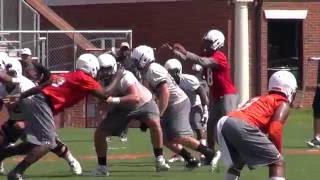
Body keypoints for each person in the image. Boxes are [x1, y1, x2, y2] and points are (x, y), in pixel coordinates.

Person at [0, 53, 121, 180]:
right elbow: (105, 94)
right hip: (42, 103)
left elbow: (43, 86)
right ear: (92, 68)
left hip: (37, 101)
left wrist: (21, 96)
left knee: (35, 144)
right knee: (48, 142)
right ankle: (17, 172)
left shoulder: (71, 75)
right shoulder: (84, 78)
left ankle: (3, 153)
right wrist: (118, 76)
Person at [132, 45, 217, 170]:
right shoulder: (148, 70)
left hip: (177, 102)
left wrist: (158, 114)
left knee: (179, 136)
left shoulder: (153, 69)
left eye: (136, 59)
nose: (134, 62)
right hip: (170, 104)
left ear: (144, 58)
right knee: (164, 138)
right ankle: (190, 159)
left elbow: (165, 92)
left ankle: (209, 153)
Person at [163, 29, 239, 163]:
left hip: (228, 95)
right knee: (210, 126)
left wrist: (186, 52)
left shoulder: (219, 56)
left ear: (217, 43)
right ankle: (210, 155)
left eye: (209, 42)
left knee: (228, 125)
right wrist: (176, 53)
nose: (206, 45)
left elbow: (202, 61)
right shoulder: (206, 54)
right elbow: (193, 59)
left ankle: (238, 153)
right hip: (216, 96)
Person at [91, 54, 169, 176]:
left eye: (107, 69)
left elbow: (135, 98)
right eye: (102, 69)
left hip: (144, 102)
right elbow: (103, 99)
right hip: (122, 108)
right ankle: (102, 167)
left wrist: (113, 100)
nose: (104, 72)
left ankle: (160, 159)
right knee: (100, 134)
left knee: (155, 123)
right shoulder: (100, 80)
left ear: (113, 67)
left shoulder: (126, 76)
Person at [217, 70, 297, 180]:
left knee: (239, 161)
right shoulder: (282, 102)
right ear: (290, 89)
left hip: (225, 122)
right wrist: (277, 154)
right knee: (278, 161)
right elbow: (275, 130)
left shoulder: (258, 98)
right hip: (241, 124)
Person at [164, 59, 209, 163]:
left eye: (173, 71)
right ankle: (180, 154)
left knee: (198, 127)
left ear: (178, 70)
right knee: (177, 132)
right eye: (169, 72)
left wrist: (205, 111)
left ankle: (204, 153)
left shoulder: (189, 79)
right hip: (180, 107)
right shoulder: (167, 82)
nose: (171, 74)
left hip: (194, 105)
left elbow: (202, 94)